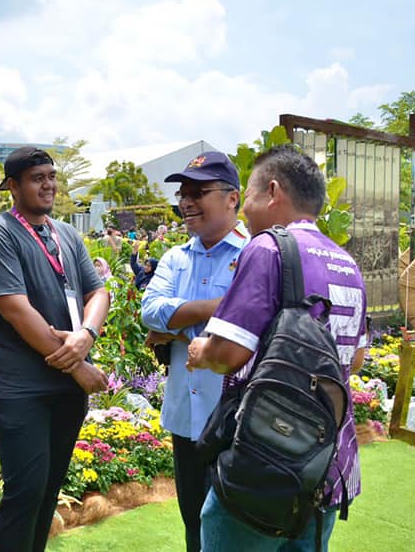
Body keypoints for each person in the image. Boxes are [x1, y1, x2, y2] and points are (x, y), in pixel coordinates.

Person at [186, 145, 368, 551]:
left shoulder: (269, 247)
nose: (244, 211)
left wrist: (201, 351)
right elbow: (354, 359)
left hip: (266, 465)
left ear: (272, 192)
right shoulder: (347, 262)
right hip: (327, 466)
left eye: (248, 196)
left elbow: (228, 354)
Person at [0, 146, 110, 552]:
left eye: (51, 176)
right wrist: (78, 367)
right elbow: (16, 309)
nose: (48, 184)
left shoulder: (66, 234)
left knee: (48, 491)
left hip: (65, 391)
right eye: (37, 178)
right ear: (12, 186)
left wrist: (86, 335)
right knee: (26, 492)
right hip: (20, 389)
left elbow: (98, 292)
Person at [140, 151, 249, 552]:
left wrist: (175, 328)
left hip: (237, 418)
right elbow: (150, 311)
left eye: (198, 193)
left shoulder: (254, 255)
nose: (186, 202)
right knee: (193, 520)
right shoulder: (176, 257)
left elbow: (255, 324)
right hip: (185, 417)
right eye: (182, 194)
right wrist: (220, 307)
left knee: (235, 525)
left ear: (232, 198)